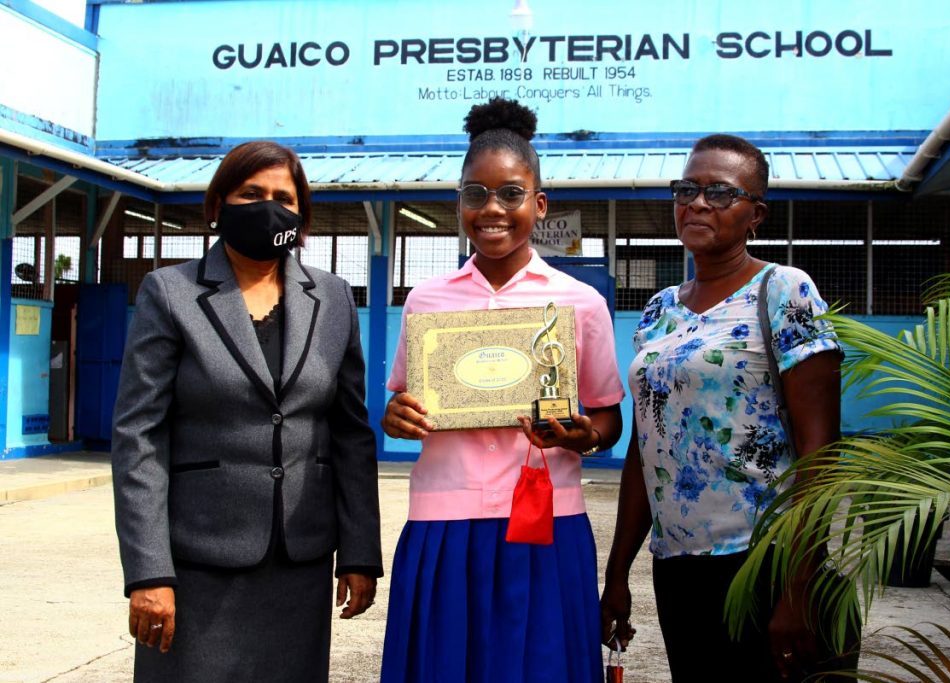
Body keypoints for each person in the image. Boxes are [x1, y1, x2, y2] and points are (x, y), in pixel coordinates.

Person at [111, 140, 382, 682]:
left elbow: (350, 432)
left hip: (299, 563)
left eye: (284, 196)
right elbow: (138, 434)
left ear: (300, 213)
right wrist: (148, 572)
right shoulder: (171, 293)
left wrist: (359, 552)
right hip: (196, 563)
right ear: (218, 205)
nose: (268, 205)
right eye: (250, 193)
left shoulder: (332, 299)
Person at [380, 97, 625, 683]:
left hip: (545, 522)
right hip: (444, 522)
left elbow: (609, 419)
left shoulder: (579, 304)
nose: (492, 209)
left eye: (511, 193)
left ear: (539, 204)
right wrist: (397, 418)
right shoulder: (426, 301)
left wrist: (582, 435)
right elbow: (400, 403)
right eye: (475, 193)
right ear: (458, 201)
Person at [600, 134, 844, 681]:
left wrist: (799, 589)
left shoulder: (784, 290)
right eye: (687, 188)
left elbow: (820, 452)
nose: (698, 202)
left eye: (720, 192)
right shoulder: (661, 309)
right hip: (678, 567)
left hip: (764, 562)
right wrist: (618, 575)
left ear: (755, 214)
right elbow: (646, 450)